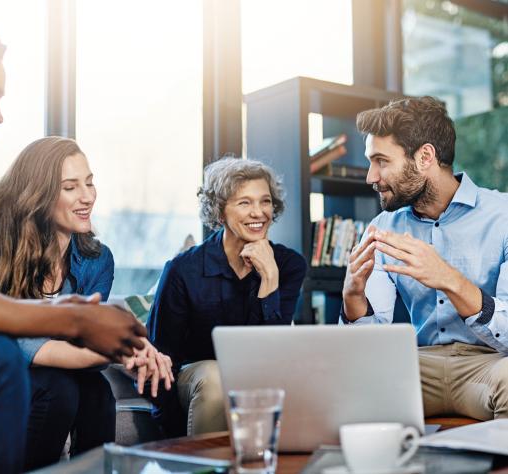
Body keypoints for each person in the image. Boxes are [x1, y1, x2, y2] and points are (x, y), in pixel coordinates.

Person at [0, 4, 145, 472]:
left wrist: (76, 320)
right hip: (29, 372)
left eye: (89, 182)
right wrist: (70, 319)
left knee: (87, 390)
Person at [0, 136, 173, 470]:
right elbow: (31, 349)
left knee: (96, 390)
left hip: (65, 378)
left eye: (89, 183)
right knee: (59, 388)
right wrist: (124, 350)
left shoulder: (97, 259)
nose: (87, 197)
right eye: (70, 187)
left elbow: (90, 343)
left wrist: (131, 349)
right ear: (38, 194)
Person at [342, 96, 508, 420]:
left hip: (490, 364)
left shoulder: (503, 216)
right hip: (417, 367)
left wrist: (448, 279)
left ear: (425, 156)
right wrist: (353, 299)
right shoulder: (382, 229)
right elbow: (368, 351)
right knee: (346, 382)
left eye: (381, 161)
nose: (370, 177)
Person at [147, 157, 307, 436]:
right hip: (196, 381)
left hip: (259, 378)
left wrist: (269, 279)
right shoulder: (183, 270)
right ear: (220, 212)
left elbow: (273, 354)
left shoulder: (289, 265)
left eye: (265, 201)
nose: (258, 212)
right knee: (214, 375)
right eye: (244, 202)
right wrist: (170, 435)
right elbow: (162, 361)